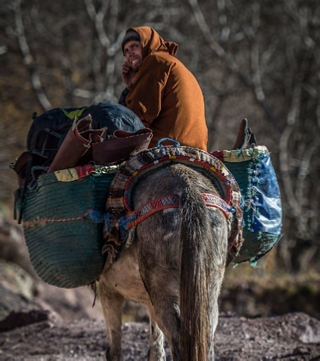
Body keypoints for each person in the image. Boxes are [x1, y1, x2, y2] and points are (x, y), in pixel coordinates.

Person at [119, 26, 208, 151]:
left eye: (134, 46)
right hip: (195, 147)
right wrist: (131, 86)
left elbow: (135, 120)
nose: (130, 53)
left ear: (146, 44)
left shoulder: (155, 61)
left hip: (166, 145)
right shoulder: (168, 62)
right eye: (126, 51)